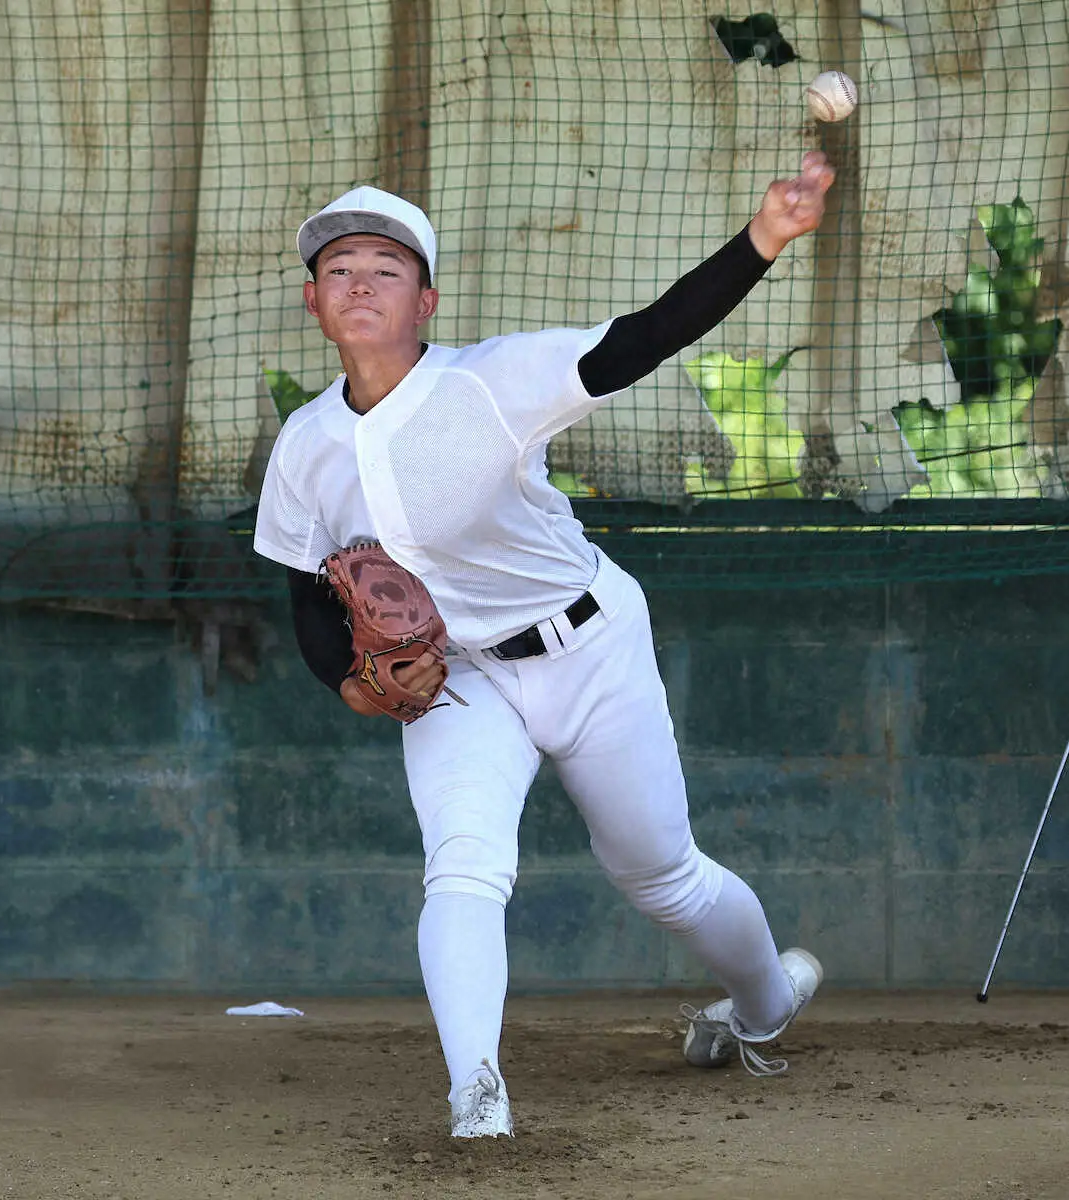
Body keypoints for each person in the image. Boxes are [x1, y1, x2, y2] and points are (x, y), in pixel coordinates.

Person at [254, 155, 835, 1138]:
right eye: (339, 269)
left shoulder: (492, 381)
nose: (358, 282)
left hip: (589, 647)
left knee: (659, 874)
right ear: (314, 303)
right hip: (462, 682)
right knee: (464, 865)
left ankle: (764, 1004)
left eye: (384, 268)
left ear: (425, 300)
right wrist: (345, 683)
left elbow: (645, 338)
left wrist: (764, 239)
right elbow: (305, 588)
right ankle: (475, 1092)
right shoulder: (305, 444)